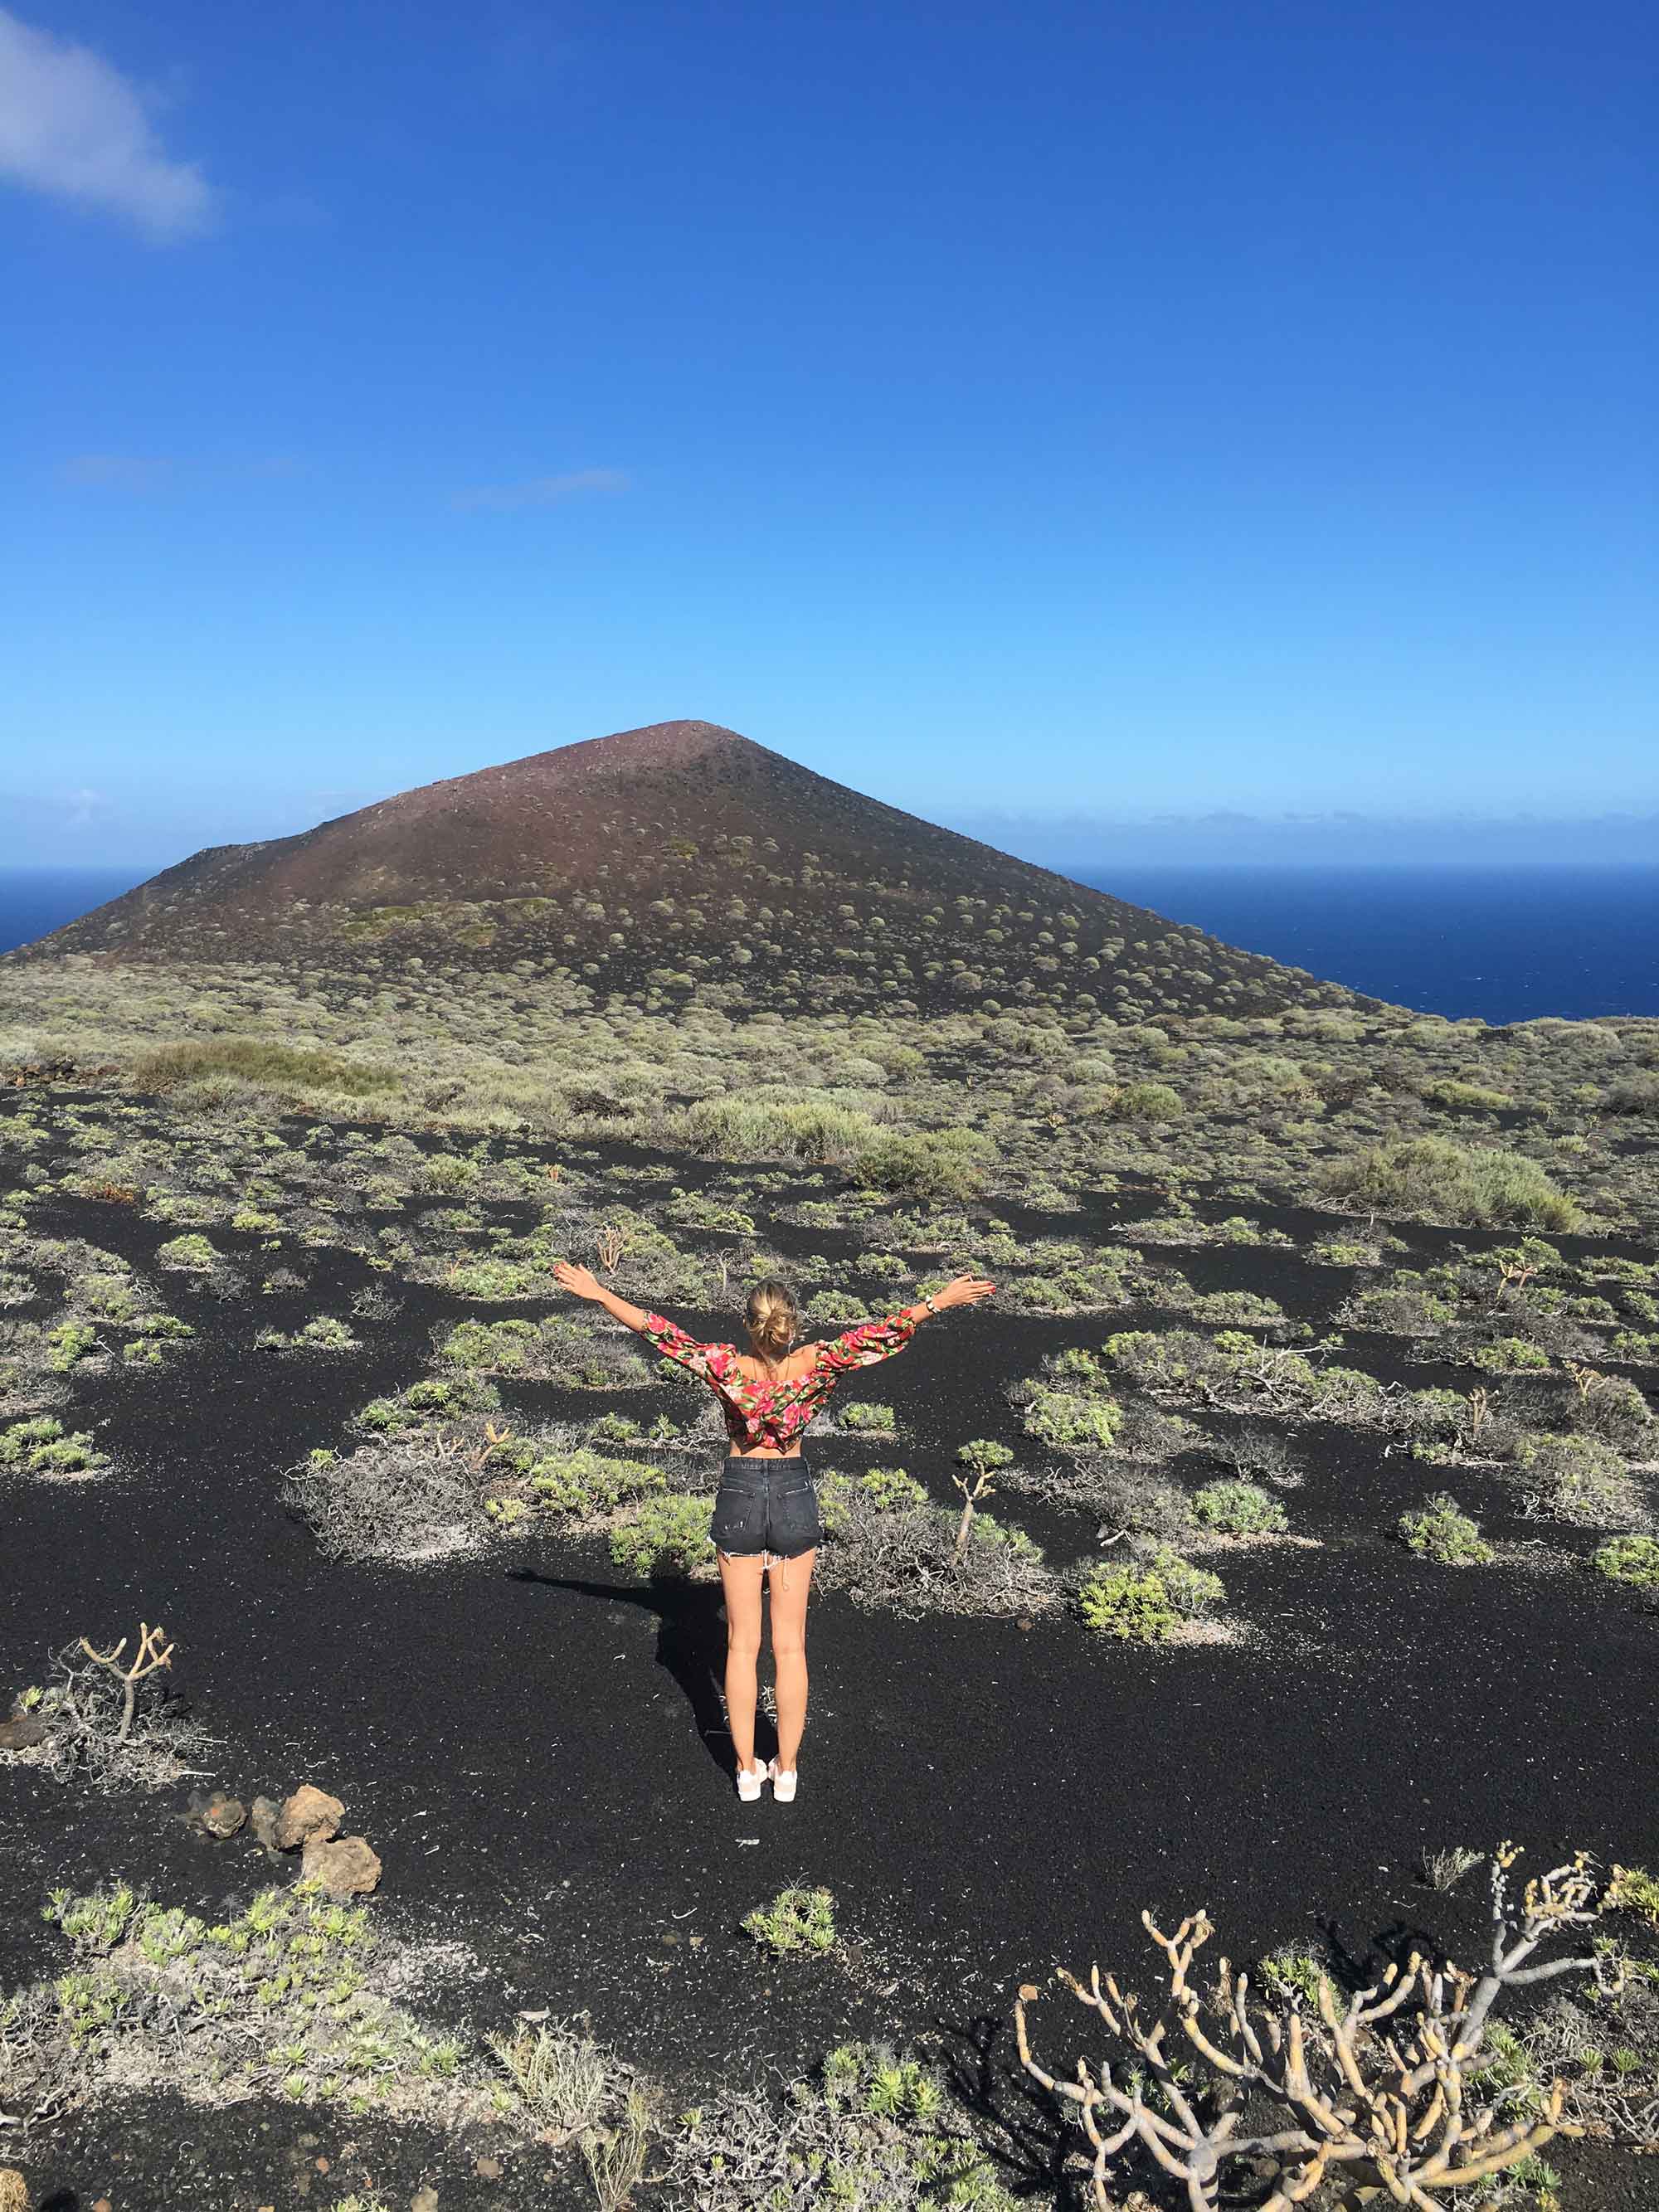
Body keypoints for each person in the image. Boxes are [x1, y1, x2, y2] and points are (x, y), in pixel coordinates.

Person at [550, 1262, 996, 1801]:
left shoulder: (725, 1366)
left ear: (749, 1324)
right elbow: (883, 1333)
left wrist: (600, 1293)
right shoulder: (819, 1362)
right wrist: (937, 1301)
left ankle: (745, 1770)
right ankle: (786, 1770)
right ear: (793, 1325)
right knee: (790, 1647)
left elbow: (659, 1331)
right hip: (793, 1494)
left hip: (739, 1492)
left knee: (740, 1648)